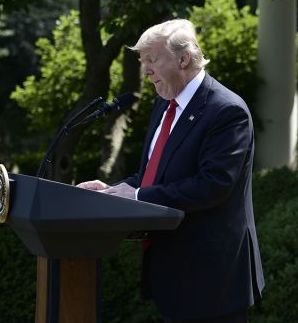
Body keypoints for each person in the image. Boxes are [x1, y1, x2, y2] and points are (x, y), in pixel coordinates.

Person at [78, 19, 263, 323]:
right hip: (174, 273)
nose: (146, 70)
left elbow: (213, 185)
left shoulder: (227, 110)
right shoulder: (164, 105)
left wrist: (136, 195)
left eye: (152, 59)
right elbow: (153, 176)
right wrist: (113, 192)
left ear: (184, 58)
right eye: (143, 62)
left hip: (213, 279)